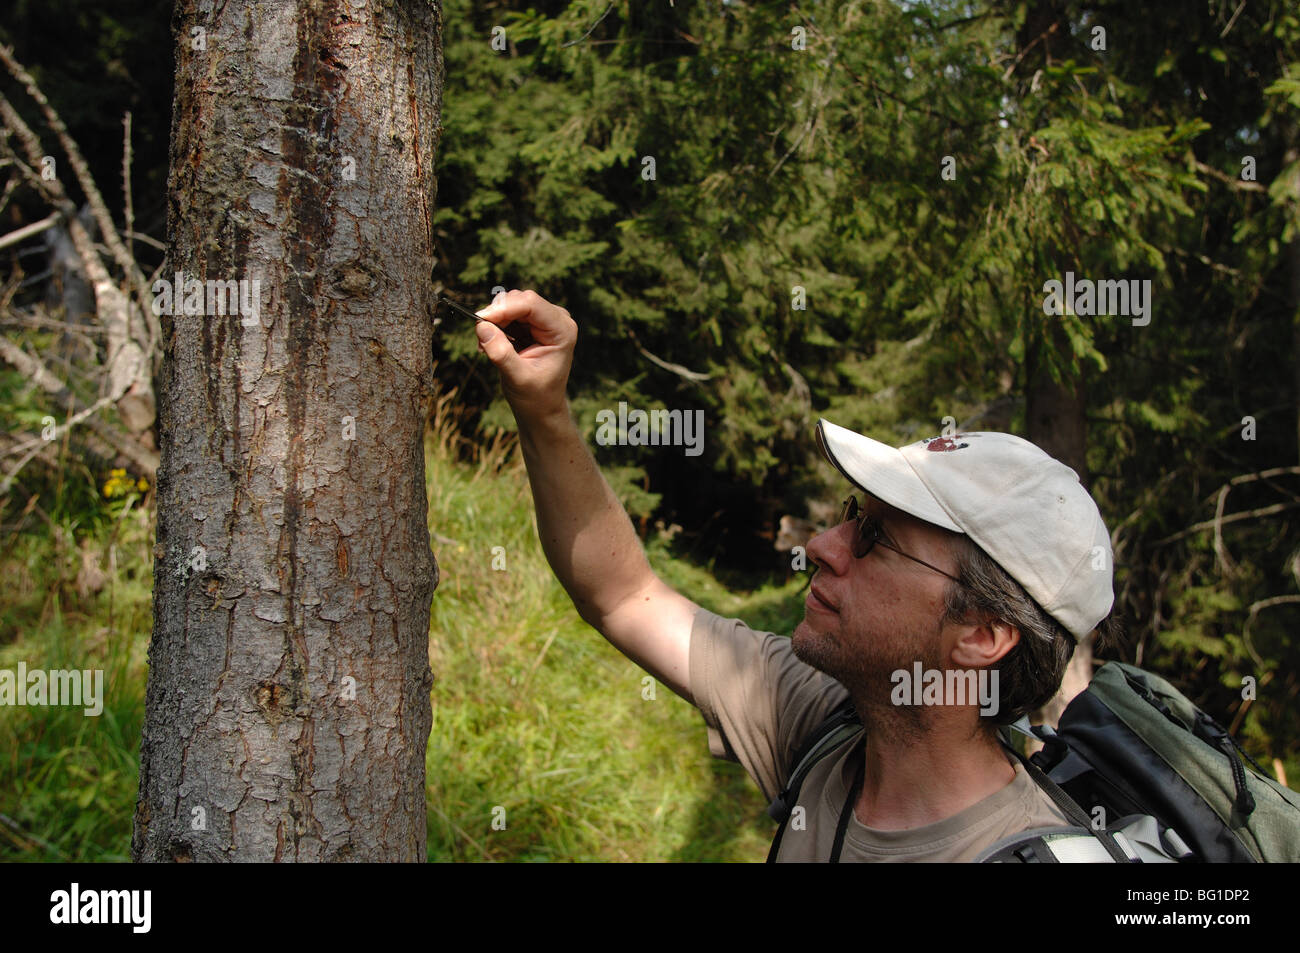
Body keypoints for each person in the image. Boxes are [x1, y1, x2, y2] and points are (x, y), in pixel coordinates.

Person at [471, 289, 1119, 862]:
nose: (819, 545)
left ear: (982, 634)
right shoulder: (825, 723)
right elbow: (624, 595)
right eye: (849, 515)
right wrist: (544, 407)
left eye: (874, 537)